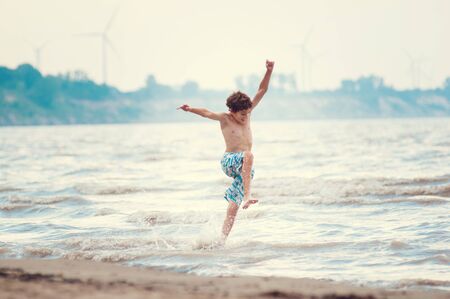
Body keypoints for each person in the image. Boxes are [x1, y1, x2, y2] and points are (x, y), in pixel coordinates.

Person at [178, 60, 274, 244]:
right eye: (242, 114)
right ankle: (248, 195)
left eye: (248, 113)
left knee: (233, 206)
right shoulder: (225, 118)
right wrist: (190, 109)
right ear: (232, 111)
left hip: (245, 168)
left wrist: (269, 71)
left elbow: (262, 90)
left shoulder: (248, 112)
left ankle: (220, 240)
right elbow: (206, 113)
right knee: (249, 155)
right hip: (230, 161)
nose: (246, 117)